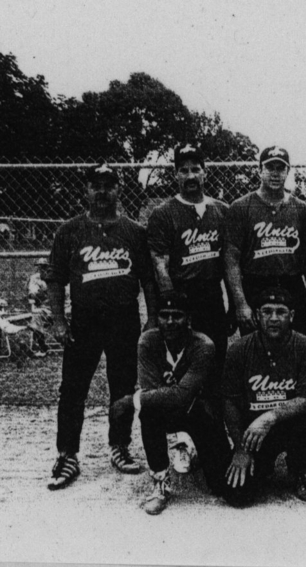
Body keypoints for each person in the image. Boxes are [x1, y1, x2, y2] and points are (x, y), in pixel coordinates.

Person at [45, 163, 158, 490]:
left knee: (122, 385)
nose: (102, 191)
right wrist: (58, 319)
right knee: (73, 387)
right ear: (86, 190)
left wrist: (151, 319)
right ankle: (67, 453)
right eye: (96, 185)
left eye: (109, 185)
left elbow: (148, 280)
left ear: (119, 189)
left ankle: (119, 446)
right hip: (85, 317)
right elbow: (55, 278)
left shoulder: (133, 231)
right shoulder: (70, 230)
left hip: (123, 317)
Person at [109, 291, 232, 515]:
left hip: (198, 411)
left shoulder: (203, 345)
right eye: (164, 315)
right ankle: (160, 483)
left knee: (222, 487)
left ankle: (196, 453)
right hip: (168, 411)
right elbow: (153, 393)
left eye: (177, 316)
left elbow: (182, 396)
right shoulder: (148, 341)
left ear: (189, 319)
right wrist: (158, 395)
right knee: (149, 413)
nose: (171, 322)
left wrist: (131, 400)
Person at [147, 143, 232, 409]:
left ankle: (213, 431)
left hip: (212, 295)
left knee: (216, 361)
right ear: (175, 175)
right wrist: (172, 304)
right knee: (181, 364)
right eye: (183, 170)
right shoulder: (163, 213)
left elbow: (229, 262)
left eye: (196, 169)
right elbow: (159, 263)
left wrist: (232, 305)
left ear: (205, 173)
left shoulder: (221, 210)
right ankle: (182, 433)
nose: (190, 176)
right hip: (182, 295)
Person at [220, 287, 306, 506]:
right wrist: (240, 448)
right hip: (253, 433)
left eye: (281, 312)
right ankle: (262, 467)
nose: (273, 318)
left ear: (292, 316)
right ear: (257, 316)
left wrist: (269, 417)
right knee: (238, 496)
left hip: (288, 425)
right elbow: (229, 401)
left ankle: (299, 468)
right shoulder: (239, 349)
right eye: (267, 312)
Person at [224, 145, 306, 337]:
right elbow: (231, 259)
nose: (275, 173)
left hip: (292, 284)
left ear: (288, 172)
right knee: (255, 350)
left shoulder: (300, 208)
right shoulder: (241, 207)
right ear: (260, 170)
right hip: (255, 284)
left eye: (280, 168)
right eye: (270, 168)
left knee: (297, 345)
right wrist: (241, 303)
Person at [27, 257, 52, 356]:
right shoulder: (35, 278)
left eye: (45, 267)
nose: (42, 269)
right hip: (43, 307)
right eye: (40, 267)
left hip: (59, 307)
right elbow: (33, 294)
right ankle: (43, 347)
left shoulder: (56, 277)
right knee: (36, 317)